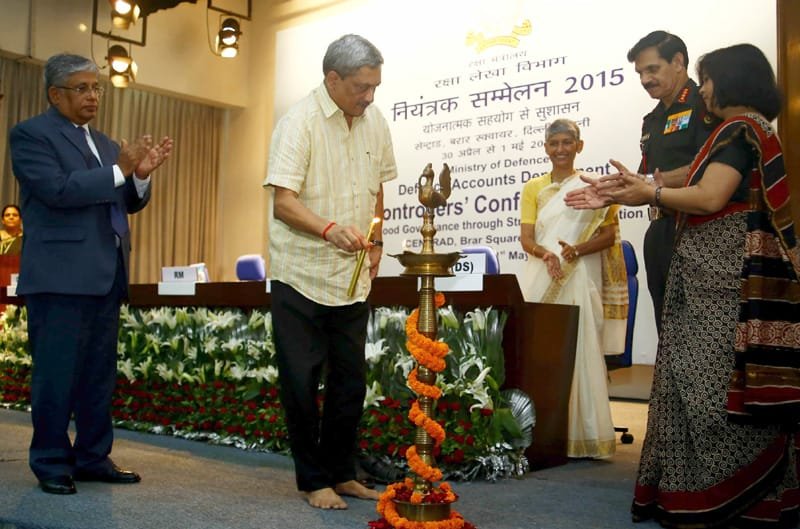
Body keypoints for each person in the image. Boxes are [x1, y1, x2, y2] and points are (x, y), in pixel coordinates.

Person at [569, 44, 800, 528]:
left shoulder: (739, 130)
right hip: (707, 271)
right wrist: (632, 189)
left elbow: (711, 194)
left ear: (732, 80)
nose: (706, 88)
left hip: (718, 280)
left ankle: (723, 490)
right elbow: (693, 178)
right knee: (698, 377)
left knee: (708, 382)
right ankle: (710, 486)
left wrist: (648, 192)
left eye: (709, 79)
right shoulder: (740, 131)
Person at [9, 53, 173, 495]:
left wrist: (138, 176)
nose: (93, 95)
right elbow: (58, 191)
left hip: (105, 274)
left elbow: (125, 200)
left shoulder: (104, 142)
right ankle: (50, 462)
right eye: (82, 88)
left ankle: (92, 457)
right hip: (59, 277)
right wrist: (120, 169)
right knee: (56, 375)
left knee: (98, 377)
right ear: (55, 94)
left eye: (97, 88)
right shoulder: (30, 136)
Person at [263, 34, 397, 510]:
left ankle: (342, 472)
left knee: (350, 381)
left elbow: (378, 186)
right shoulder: (297, 122)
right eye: (362, 87)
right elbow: (283, 203)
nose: (370, 96)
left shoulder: (374, 120)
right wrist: (328, 229)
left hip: (354, 277)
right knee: (301, 383)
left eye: (375, 86)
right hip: (301, 274)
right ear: (332, 79)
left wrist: (376, 240)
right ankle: (311, 480)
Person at [519, 119, 627, 459]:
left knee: (581, 348)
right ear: (546, 147)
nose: (561, 149)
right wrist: (546, 254)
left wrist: (575, 251)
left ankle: (585, 436)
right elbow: (526, 238)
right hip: (542, 273)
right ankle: (544, 432)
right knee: (540, 350)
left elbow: (609, 236)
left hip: (581, 274)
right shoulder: (534, 189)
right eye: (555, 143)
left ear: (579, 146)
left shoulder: (592, 185)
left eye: (568, 142)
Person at [616, 31, 717, 334]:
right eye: (639, 73)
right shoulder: (652, 119)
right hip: (659, 229)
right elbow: (645, 176)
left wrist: (650, 183)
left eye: (652, 69)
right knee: (667, 326)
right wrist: (614, 188)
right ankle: (671, 384)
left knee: (698, 329)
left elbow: (709, 168)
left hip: (696, 228)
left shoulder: (705, 105)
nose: (645, 79)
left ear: (678, 62)